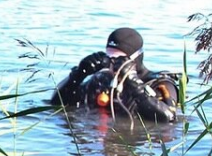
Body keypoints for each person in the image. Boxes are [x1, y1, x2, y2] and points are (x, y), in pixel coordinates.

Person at [50, 27, 180, 123]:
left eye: (119, 58)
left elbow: (169, 118)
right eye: (109, 57)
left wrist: (135, 86)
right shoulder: (101, 81)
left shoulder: (160, 84)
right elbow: (57, 104)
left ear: (135, 58)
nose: (113, 63)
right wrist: (78, 75)